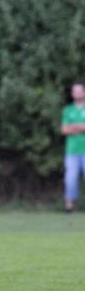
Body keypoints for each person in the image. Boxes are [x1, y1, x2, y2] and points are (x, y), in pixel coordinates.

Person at [60, 82, 85, 213]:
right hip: (72, 151)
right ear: (72, 94)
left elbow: (73, 128)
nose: (77, 93)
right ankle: (69, 205)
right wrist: (81, 127)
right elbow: (64, 130)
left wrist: (76, 127)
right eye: (75, 91)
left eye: (80, 91)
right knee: (70, 178)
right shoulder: (68, 110)